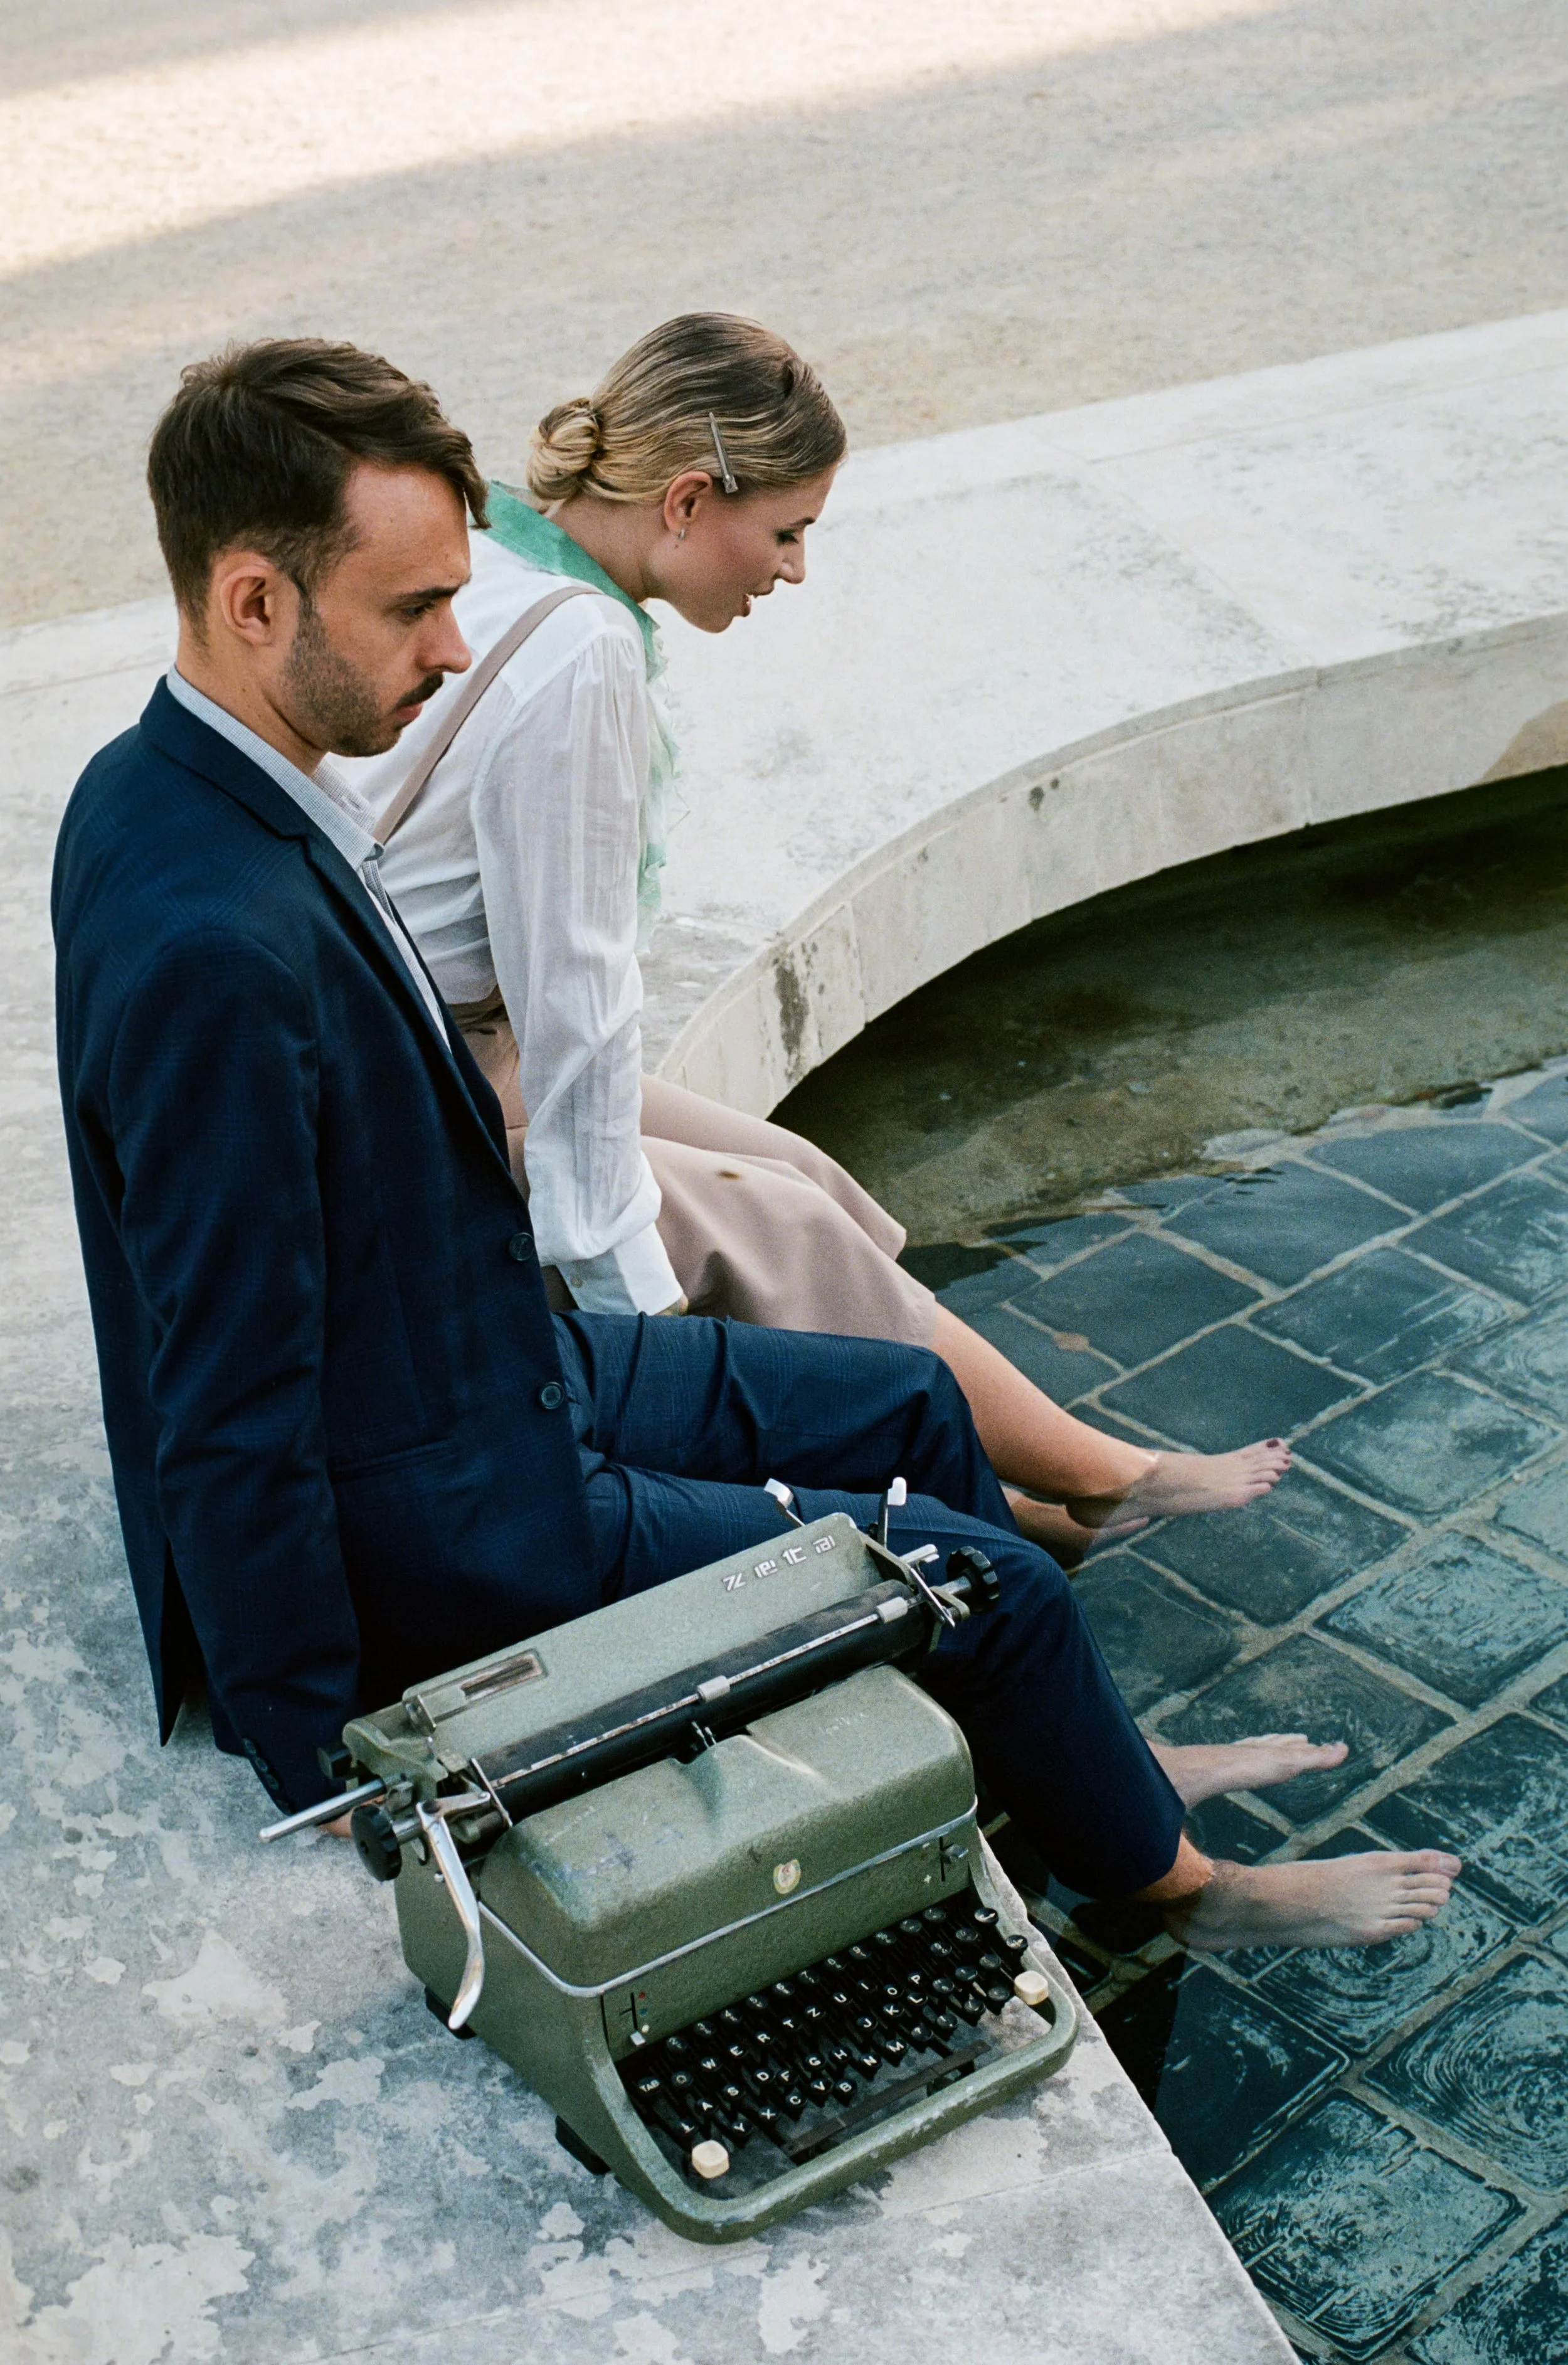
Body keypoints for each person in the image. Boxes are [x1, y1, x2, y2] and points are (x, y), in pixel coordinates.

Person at [51, 337, 1457, 1953]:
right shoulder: (211, 947)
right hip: (460, 1508)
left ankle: (1063, 1764)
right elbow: (220, 1379)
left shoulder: (169, 786)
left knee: (915, 1396)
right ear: (253, 602)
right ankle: (1165, 1891)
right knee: (990, 1586)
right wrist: (312, 1747)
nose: (454, 646)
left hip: (491, 1365)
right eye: (411, 610)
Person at [342, 316, 1291, 1566]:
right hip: (417, 1101)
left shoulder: (509, 566)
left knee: (796, 1169)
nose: (792, 572)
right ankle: (1094, 1475)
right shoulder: (577, 656)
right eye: (786, 532)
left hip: (426, 1040)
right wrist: (658, 1343)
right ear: (686, 499)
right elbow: (570, 1014)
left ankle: (1007, 1491)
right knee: (773, 1228)